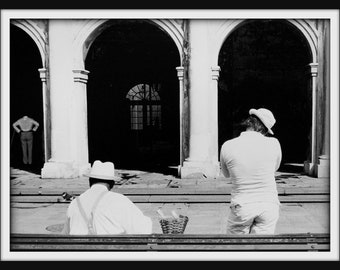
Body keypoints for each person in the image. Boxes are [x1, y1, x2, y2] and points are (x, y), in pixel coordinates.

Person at [220, 108, 282, 235]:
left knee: (235, 248)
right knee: (260, 249)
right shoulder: (274, 144)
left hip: (242, 204)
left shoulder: (228, 145)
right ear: (264, 129)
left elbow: (226, 174)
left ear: (249, 122)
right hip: (268, 204)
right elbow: (274, 168)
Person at [62, 160, 153, 235]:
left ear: (90, 181)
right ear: (112, 184)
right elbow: (143, 229)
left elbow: (65, 234)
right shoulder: (119, 201)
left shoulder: (75, 203)